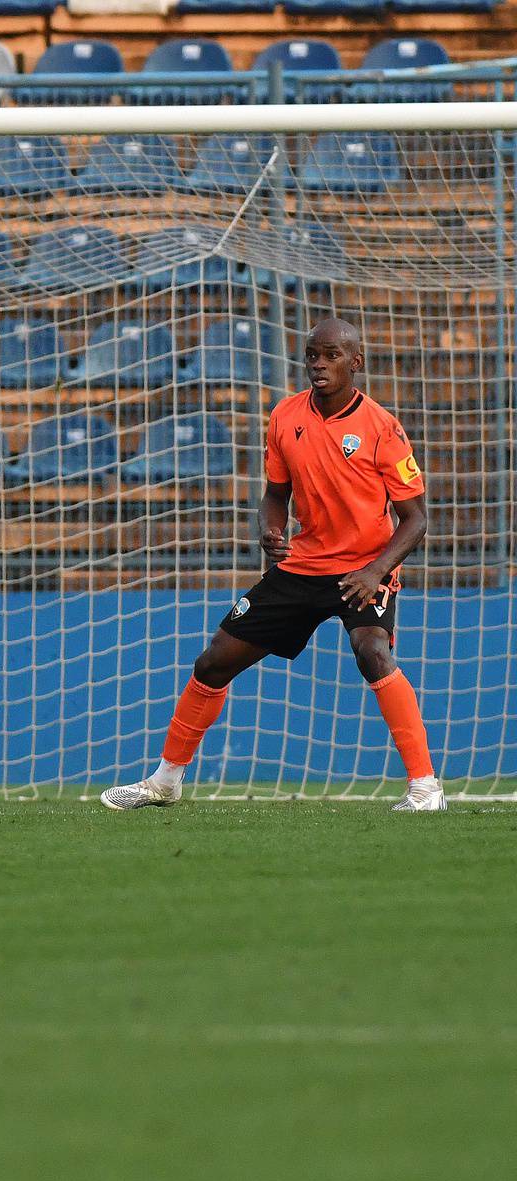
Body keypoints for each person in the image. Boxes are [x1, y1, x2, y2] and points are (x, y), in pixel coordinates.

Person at [101, 317, 445, 812]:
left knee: (371, 651)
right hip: (304, 565)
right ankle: (164, 782)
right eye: (312, 355)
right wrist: (271, 529)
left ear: (356, 363)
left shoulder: (382, 429)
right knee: (213, 661)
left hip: (364, 568)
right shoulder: (285, 416)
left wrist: (375, 572)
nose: (319, 364)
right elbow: (274, 493)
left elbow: (415, 521)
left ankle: (425, 788)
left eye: (330, 355)